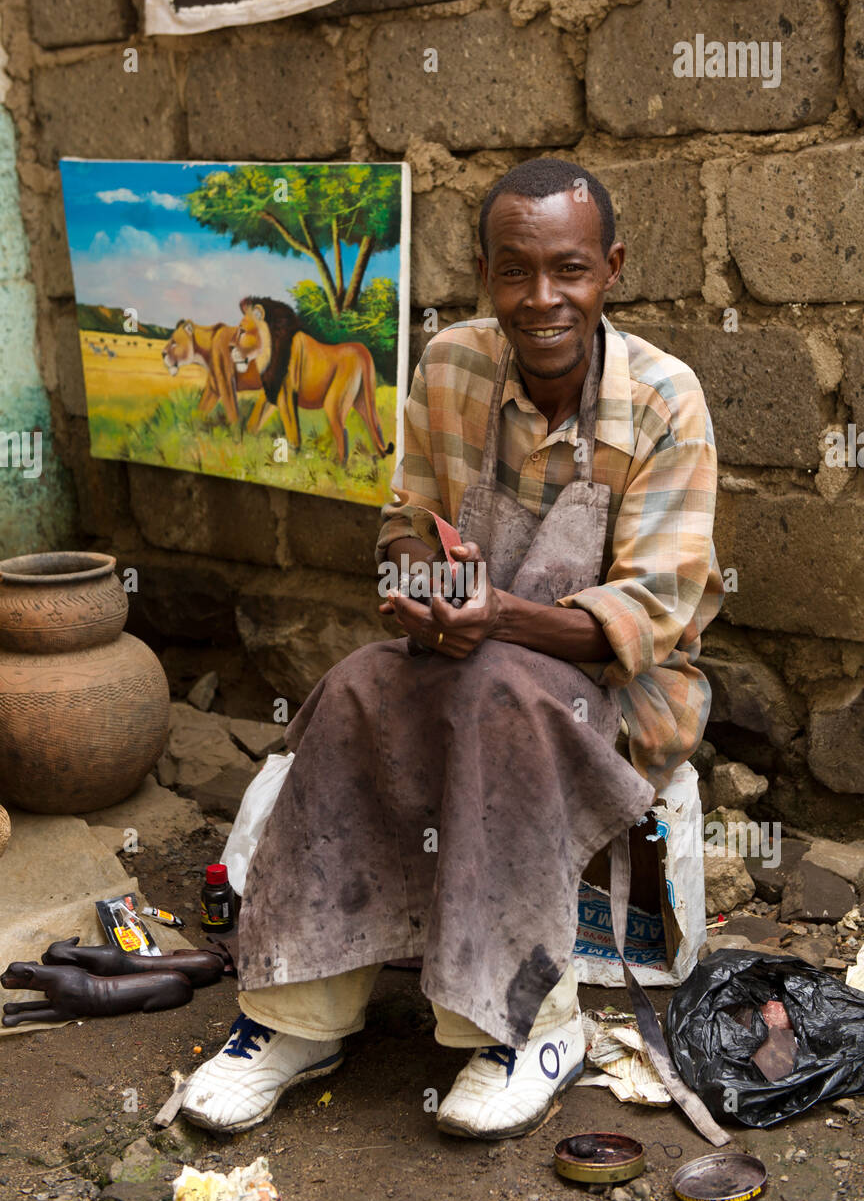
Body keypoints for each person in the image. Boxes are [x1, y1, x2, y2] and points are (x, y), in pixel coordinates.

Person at [181, 157, 723, 1140]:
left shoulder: (663, 400)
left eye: (568, 270)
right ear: (485, 272)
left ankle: (525, 1024)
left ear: (611, 267)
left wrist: (497, 617)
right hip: (472, 651)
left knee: (500, 696)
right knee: (351, 687)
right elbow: (403, 529)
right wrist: (416, 589)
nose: (541, 298)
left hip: (628, 687)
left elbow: (653, 620)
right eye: (514, 271)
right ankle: (299, 1015)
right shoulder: (452, 367)